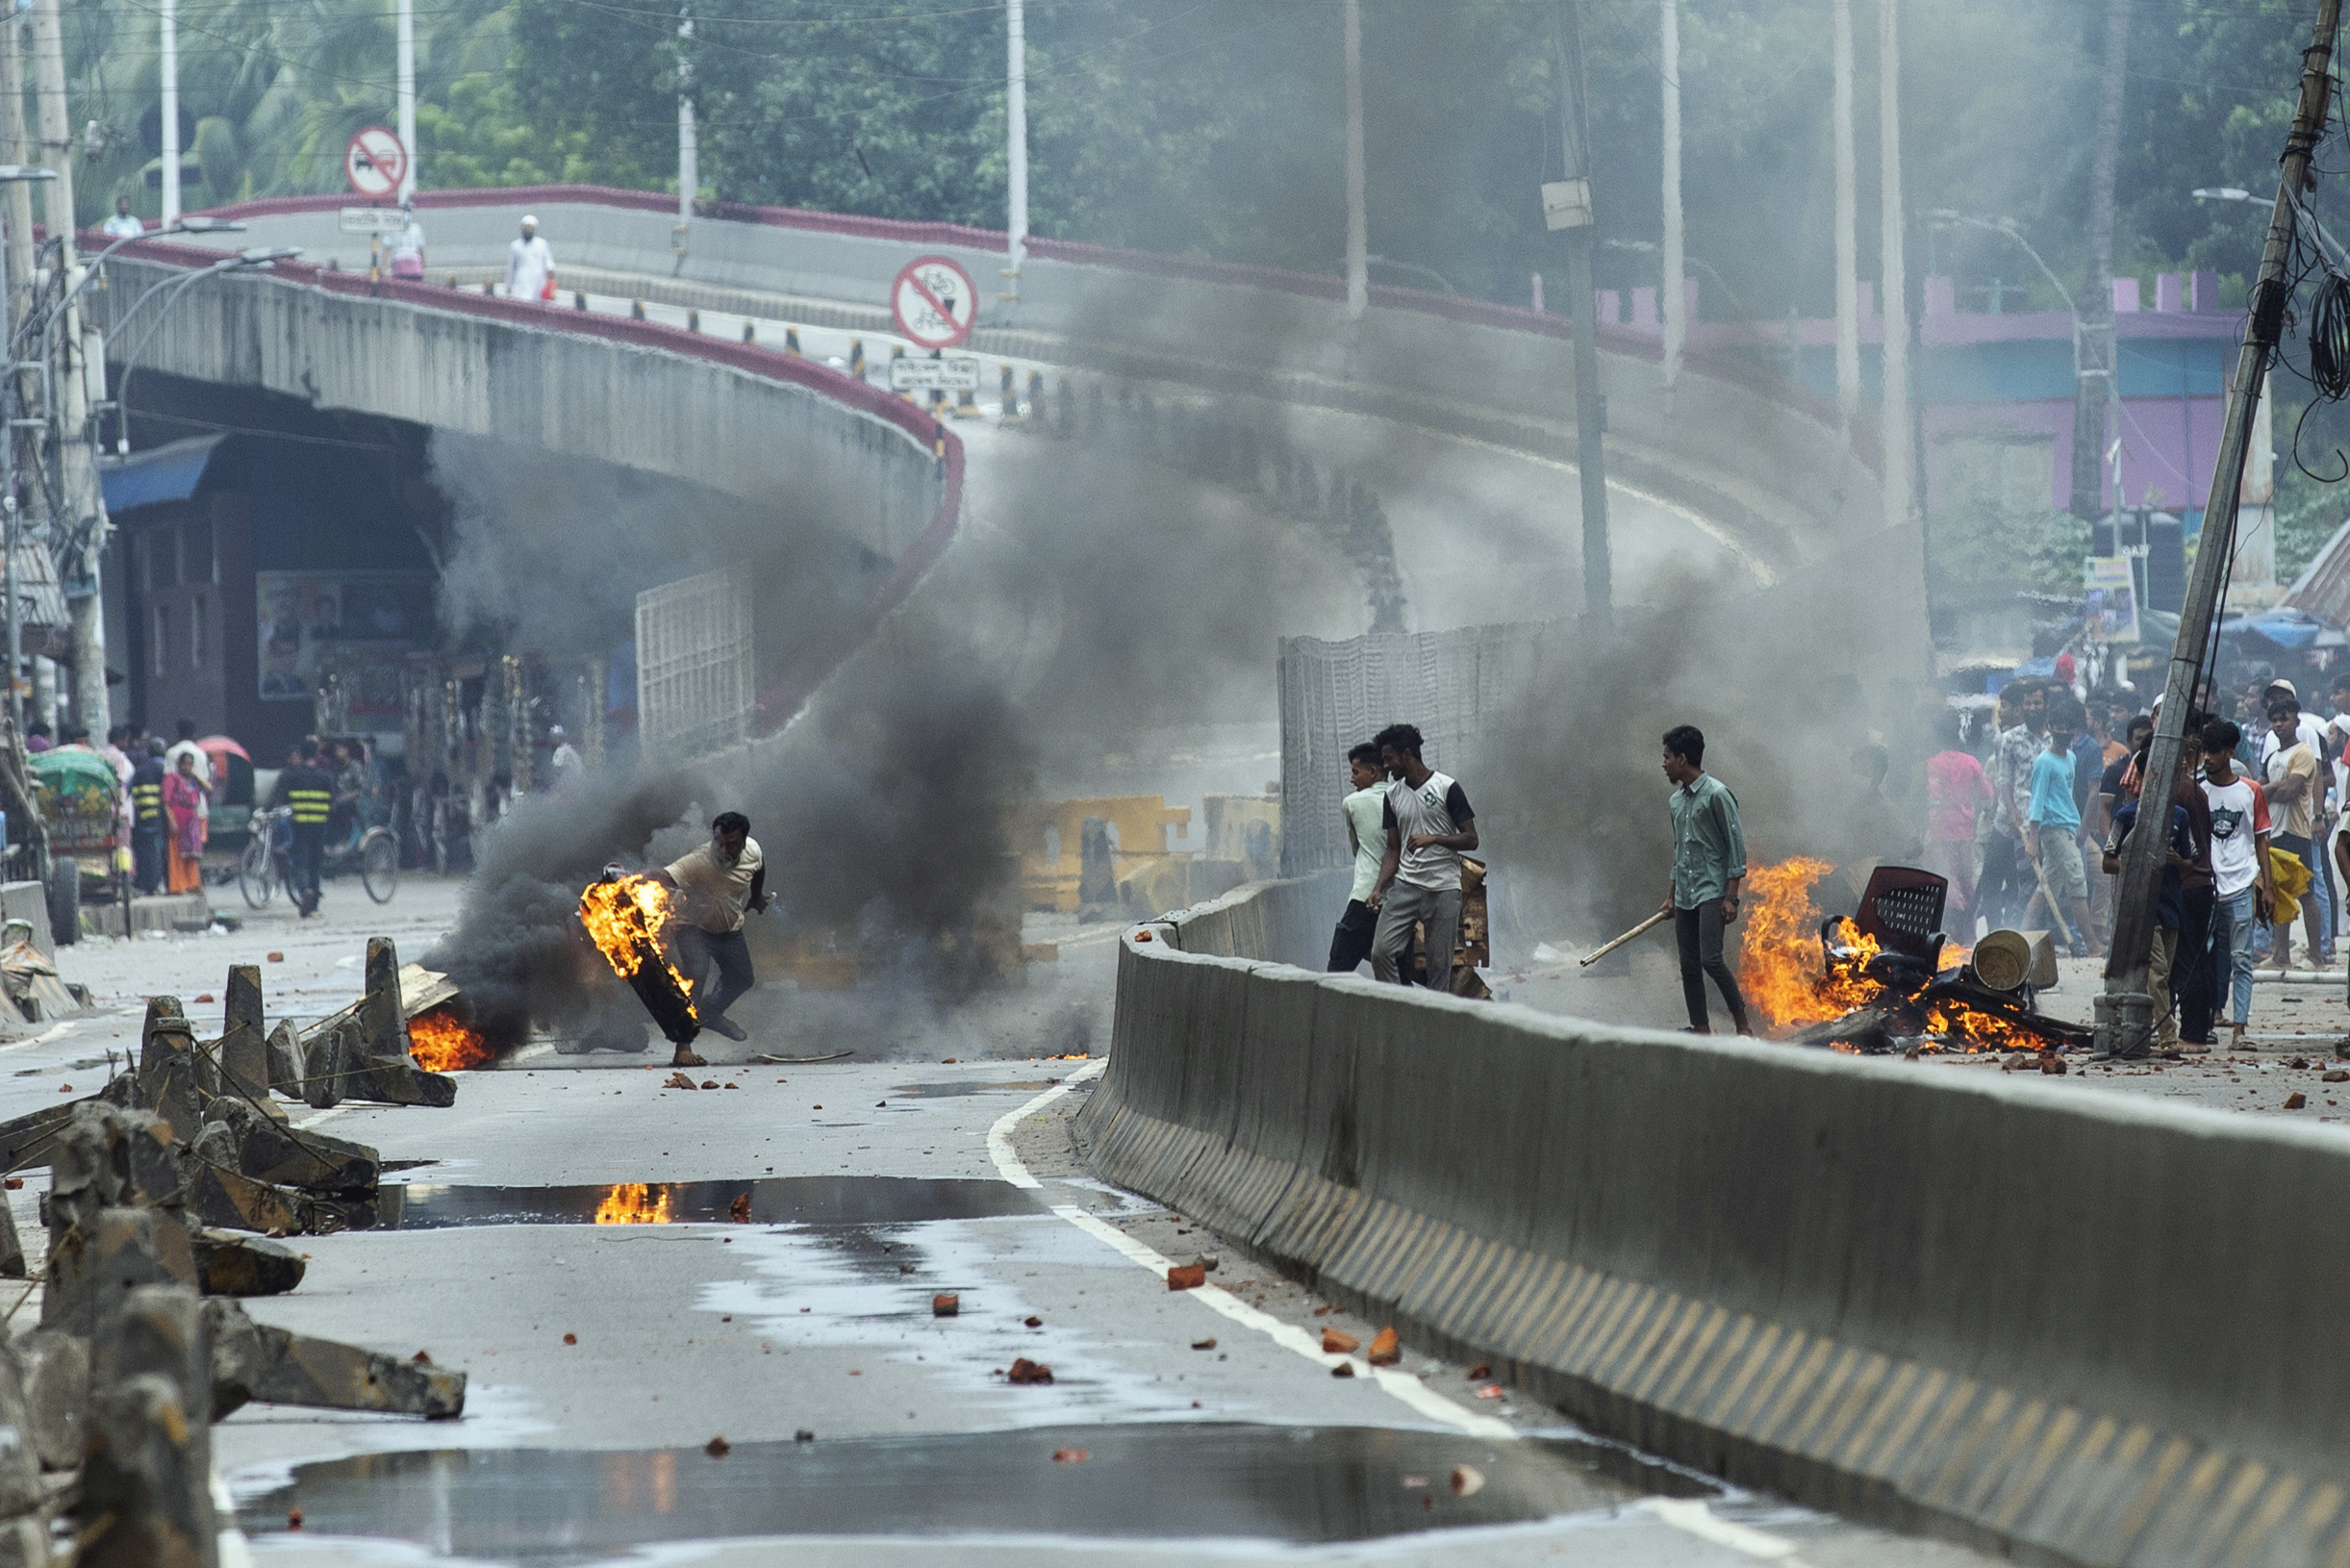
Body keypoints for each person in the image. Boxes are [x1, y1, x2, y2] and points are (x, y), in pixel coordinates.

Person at [1367, 723, 1478, 990]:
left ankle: (1435, 1027)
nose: (1386, 766)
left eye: (1389, 758)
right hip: (1406, 886)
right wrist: (1378, 888)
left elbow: (1471, 839)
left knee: (1439, 968)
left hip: (1443, 889)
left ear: (1407, 754)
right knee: (1380, 953)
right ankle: (1401, 1008)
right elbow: (1393, 849)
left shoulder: (1447, 787)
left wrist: (1434, 839)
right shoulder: (1392, 795)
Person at [1658, 723, 1750, 1035]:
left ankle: (1743, 1024)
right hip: (1685, 892)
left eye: (1667, 756)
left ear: (1683, 759)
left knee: (1710, 959)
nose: (1664, 763)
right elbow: (1679, 850)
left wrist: (1731, 897)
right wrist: (1671, 895)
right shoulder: (1675, 802)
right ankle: (1702, 1028)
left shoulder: (1718, 795)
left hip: (1712, 890)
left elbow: (1735, 847)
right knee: (1688, 965)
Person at [654, 812, 769, 1056]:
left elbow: (759, 868)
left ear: (744, 842)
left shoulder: (753, 851)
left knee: (743, 978)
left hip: (728, 930)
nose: (723, 849)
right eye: (719, 842)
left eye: (731, 845)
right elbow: (665, 875)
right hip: (693, 927)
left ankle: (710, 1013)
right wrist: (632, 881)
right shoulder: (700, 859)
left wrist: (756, 896)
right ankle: (683, 1047)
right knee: (695, 975)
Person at [2103, 777, 2198, 1058]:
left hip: (2171, 905)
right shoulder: (2125, 816)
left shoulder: (2179, 816)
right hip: (2141, 908)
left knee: (2162, 974)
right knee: (2158, 974)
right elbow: (2108, 862)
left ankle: (2144, 1030)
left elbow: (2190, 859)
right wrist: (2136, 863)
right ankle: (2168, 1038)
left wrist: (2176, 861)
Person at [2202, 721, 2273, 1050]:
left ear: (2230, 753)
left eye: (2213, 752)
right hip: (2207, 884)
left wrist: (2267, 887)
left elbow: (2262, 842)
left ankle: (2239, 1029)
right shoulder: (2198, 790)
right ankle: (2206, 1019)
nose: (2207, 758)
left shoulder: (2251, 791)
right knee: (2204, 956)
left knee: (2241, 959)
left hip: (2241, 884)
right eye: (2204, 751)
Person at [2023, 704, 2097, 956]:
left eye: (2068, 728)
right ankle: (2092, 945)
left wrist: (2078, 825)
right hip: (2052, 829)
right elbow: (2037, 800)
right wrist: (2033, 840)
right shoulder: (2045, 763)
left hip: (2069, 826)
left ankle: (2021, 936)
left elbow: (2070, 794)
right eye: (2059, 728)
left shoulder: (2072, 758)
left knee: (2047, 888)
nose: (2064, 732)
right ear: (2051, 729)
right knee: (2077, 882)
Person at [2263, 699, 2326, 972]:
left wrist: (2266, 790)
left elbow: (2290, 790)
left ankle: (2316, 955)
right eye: (2275, 720)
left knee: (2305, 893)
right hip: (2275, 830)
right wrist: (2272, 788)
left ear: (2296, 721)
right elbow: (2277, 789)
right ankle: (2280, 955)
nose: (2279, 724)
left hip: (2295, 830)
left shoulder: (2303, 753)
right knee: (2278, 893)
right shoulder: (2273, 757)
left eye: (2284, 719)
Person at [1924, 712, 1991, 933]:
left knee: (1943, 880)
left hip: (1940, 831)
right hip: (1966, 831)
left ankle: (1947, 930)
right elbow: (1987, 798)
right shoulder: (1972, 763)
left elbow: (1931, 799)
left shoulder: (1932, 765)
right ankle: (1969, 931)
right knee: (1966, 880)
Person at [1327, 743, 1388, 974]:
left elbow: (1356, 849)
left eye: (1355, 772)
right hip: (1399, 900)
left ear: (1372, 772)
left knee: (1337, 972)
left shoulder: (1352, 803)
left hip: (1364, 897)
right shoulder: (1402, 797)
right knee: (1399, 976)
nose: (1352, 780)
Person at [269, 740, 335, 917]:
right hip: (319, 826)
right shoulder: (326, 776)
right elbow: (332, 802)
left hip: (299, 826)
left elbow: (280, 800)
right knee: (315, 863)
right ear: (315, 755)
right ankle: (313, 906)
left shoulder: (292, 776)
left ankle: (305, 890)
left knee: (301, 862)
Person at [162, 751, 207, 895]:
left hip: (191, 822)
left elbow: (209, 788)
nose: (186, 767)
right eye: (184, 764)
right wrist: (171, 820)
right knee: (176, 854)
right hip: (177, 820)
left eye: (190, 764)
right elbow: (165, 802)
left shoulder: (192, 781)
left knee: (192, 855)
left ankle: (193, 884)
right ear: (179, 765)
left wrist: (195, 774)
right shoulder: (171, 778)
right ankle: (177, 886)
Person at [129, 739, 165, 896]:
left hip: (142, 816)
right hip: (160, 817)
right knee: (157, 851)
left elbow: (127, 789)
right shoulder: (165, 769)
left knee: (143, 851)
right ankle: (155, 884)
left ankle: (144, 883)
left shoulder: (139, 770)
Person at [504, 215, 554, 302]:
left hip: (539, 282)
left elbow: (548, 262)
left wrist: (550, 274)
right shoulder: (515, 246)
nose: (528, 231)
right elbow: (511, 268)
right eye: (526, 228)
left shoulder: (542, 244)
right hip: (522, 281)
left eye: (531, 228)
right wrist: (508, 286)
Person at [387, 207, 426, 280]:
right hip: (399, 263)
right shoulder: (392, 229)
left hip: (414, 264)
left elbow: (420, 249)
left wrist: (423, 266)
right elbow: (387, 249)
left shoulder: (416, 228)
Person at [547, 726, 585, 793]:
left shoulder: (563, 751)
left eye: (555, 737)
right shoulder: (564, 749)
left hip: (572, 787)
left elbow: (556, 771)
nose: (552, 740)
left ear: (561, 738)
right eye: (552, 738)